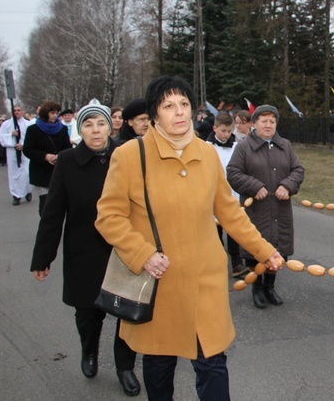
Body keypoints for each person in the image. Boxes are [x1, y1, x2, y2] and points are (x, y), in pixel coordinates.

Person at [96, 76, 283, 400]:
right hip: (160, 281)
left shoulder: (207, 155)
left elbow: (230, 213)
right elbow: (109, 216)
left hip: (204, 282)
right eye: (169, 105)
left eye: (184, 104)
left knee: (213, 364)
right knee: (159, 365)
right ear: (154, 114)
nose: (179, 112)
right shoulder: (129, 156)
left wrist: (265, 251)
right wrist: (143, 254)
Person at [30, 99, 141, 397]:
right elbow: (53, 214)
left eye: (101, 123)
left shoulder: (128, 156)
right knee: (88, 314)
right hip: (83, 248)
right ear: (79, 129)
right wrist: (43, 257)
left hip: (123, 248)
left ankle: (125, 366)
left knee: (128, 311)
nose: (96, 130)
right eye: (88, 124)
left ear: (111, 126)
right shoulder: (67, 161)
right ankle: (89, 351)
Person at [227, 105, 304, 309]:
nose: (268, 125)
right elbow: (233, 172)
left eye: (272, 121)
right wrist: (254, 186)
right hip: (256, 211)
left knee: (278, 249)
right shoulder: (243, 147)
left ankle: (270, 287)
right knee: (255, 250)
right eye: (264, 121)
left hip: (280, 210)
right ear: (254, 123)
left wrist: (287, 185)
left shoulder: (285, 145)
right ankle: (257, 289)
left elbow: (298, 170)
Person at [206, 112, 248, 278]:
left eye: (229, 131)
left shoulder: (237, 147)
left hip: (232, 195)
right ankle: (215, 264)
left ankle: (237, 263)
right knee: (215, 233)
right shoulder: (206, 147)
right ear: (215, 128)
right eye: (223, 130)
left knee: (233, 231)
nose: (226, 134)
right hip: (212, 197)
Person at [23, 101, 72, 216]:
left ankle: (57, 225)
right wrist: (45, 156)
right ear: (45, 113)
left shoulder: (62, 129)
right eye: (52, 112)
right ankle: (46, 227)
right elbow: (28, 149)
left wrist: (60, 156)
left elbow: (68, 147)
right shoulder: (33, 129)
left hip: (59, 169)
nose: (55, 115)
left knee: (59, 201)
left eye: (57, 113)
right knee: (45, 202)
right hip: (41, 171)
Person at [0, 105, 33, 205]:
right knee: (14, 174)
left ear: (22, 111)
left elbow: (32, 138)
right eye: (14, 110)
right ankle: (16, 195)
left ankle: (27, 191)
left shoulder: (28, 124)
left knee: (26, 172)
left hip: (24, 151)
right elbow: (0, 136)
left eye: (18, 110)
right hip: (12, 151)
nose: (16, 112)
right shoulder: (6, 124)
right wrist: (11, 135)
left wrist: (23, 145)